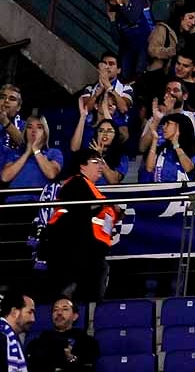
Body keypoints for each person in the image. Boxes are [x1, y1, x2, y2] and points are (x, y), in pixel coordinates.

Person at [42, 148, 120, 302]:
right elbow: (78, 213)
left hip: (90, 254)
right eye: (95, 162)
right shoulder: (76, 183)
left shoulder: (90, 188)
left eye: (101, 162)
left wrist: (114, 211)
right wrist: (106, 205)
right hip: (77, 255)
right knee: (77, 299)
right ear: (82, 166)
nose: (100, 166)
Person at [101, 0, 154, 82]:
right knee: (124, 49)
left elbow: (132, 19)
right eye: (108, 1)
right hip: (130, 46)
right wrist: (112, 20)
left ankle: (138, 79)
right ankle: (123, 82)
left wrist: (121, 4)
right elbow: (117, 40)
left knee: (141, 47)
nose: (111, 2)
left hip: (147, 39)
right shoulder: (118, 14)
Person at [27, 297, 99, 372]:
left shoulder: (85, 340)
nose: (59, 313)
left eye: (65, 309)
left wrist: (72, 359)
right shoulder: (41, 340)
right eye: (55, 310)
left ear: (75, 316)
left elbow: (88, 364)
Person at [143, 112, 195, 183]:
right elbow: (149, 168)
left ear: (179, 126)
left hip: (183, 192)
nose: (164, 127)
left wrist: (176, 145)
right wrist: (155, 140)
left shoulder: (191, 148)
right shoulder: (163, 148)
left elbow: (189, 168)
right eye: (164, 124)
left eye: (168, 124)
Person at [0, 291, 34, 372]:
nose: (33, 319)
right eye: (30, 312)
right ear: (14, 312)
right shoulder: (2, 337)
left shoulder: (13, 339)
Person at [0, 84, 25, 152]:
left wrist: (5, 121)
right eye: (2, 97)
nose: (6, 100)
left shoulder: (25, 125)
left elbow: (27, 145)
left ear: (18, 107)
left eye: (12, 99)